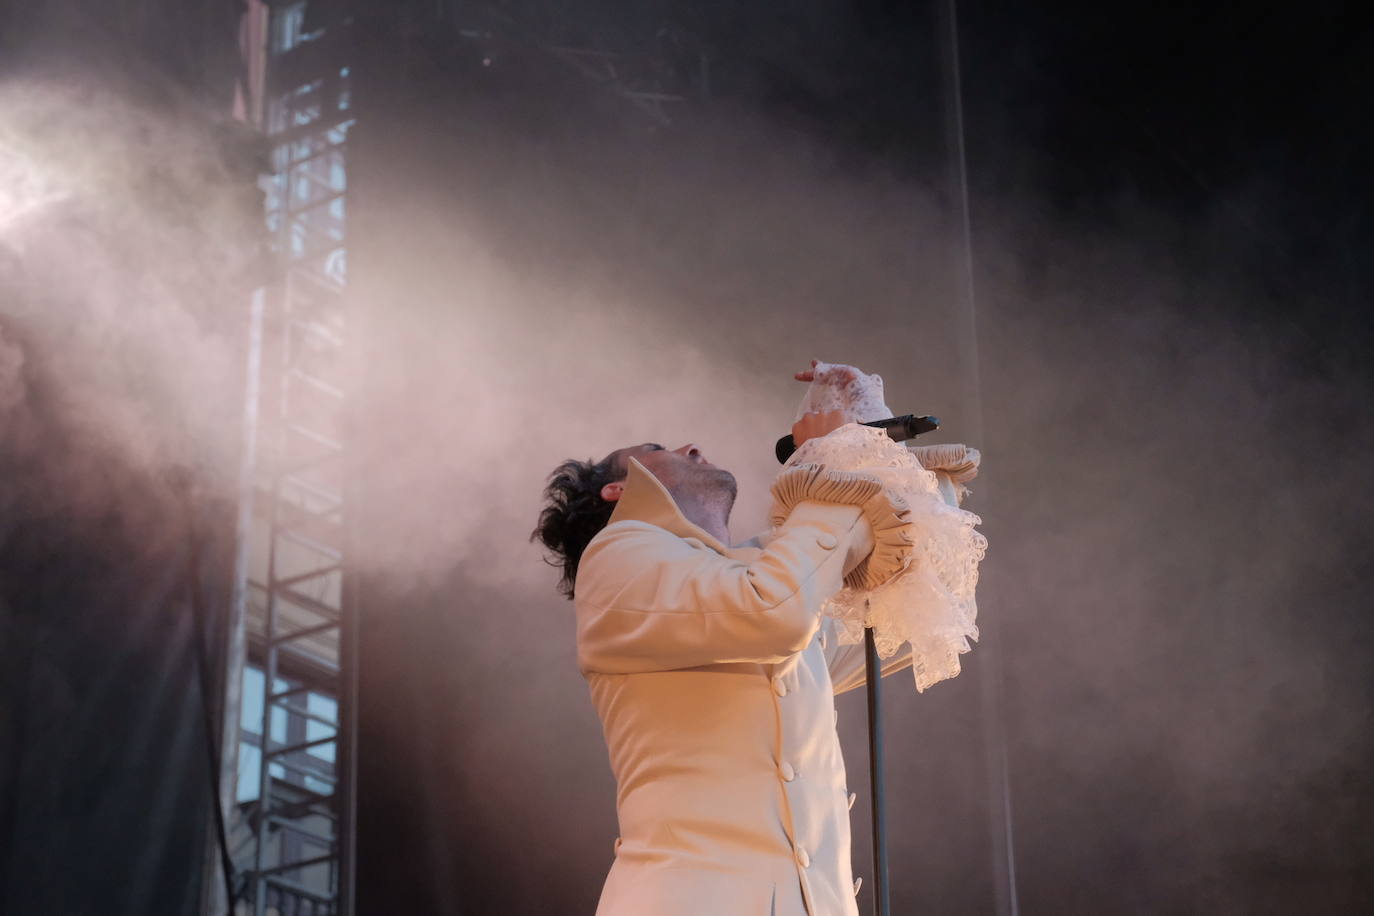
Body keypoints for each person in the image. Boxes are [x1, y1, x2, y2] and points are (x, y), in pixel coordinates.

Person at [532, 366, 971, 916]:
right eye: (656, 450)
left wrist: (876, 442)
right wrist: (833, 460)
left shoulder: (757, 574)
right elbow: (773, 611)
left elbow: (917, 625)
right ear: (617, 490)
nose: (691, 447)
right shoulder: (617, 557)